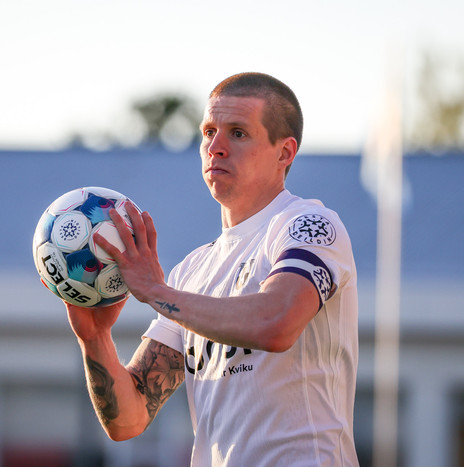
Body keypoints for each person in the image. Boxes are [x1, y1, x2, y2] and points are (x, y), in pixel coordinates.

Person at [66, 72, 359, 466]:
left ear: (284, 152)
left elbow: (276, 322)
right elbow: (128, 419)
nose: (215, 147)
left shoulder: (309, 225)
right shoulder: (192, 271)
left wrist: (156, 291)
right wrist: (94, 337)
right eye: (208, 132)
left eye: (238, 133)